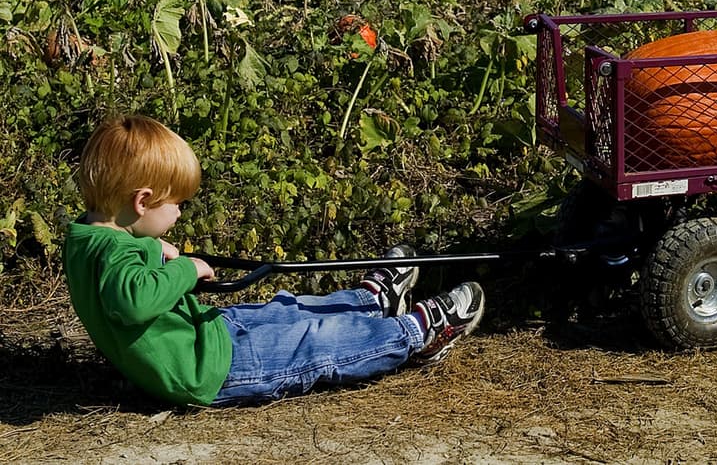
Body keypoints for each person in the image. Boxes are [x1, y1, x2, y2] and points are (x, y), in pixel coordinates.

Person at [62, 115, 485, 407]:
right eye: (177, 204)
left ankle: (369, 301)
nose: (179, 214)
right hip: (205, 371)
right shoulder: (117, 255)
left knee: (281, 310)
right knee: (312, 343)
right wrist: (185, 268)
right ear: (142, 202)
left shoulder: (89, 237)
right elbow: (131, 300)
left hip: (203, 339)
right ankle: (416, 333)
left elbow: (118, 275)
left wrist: (153, 249)